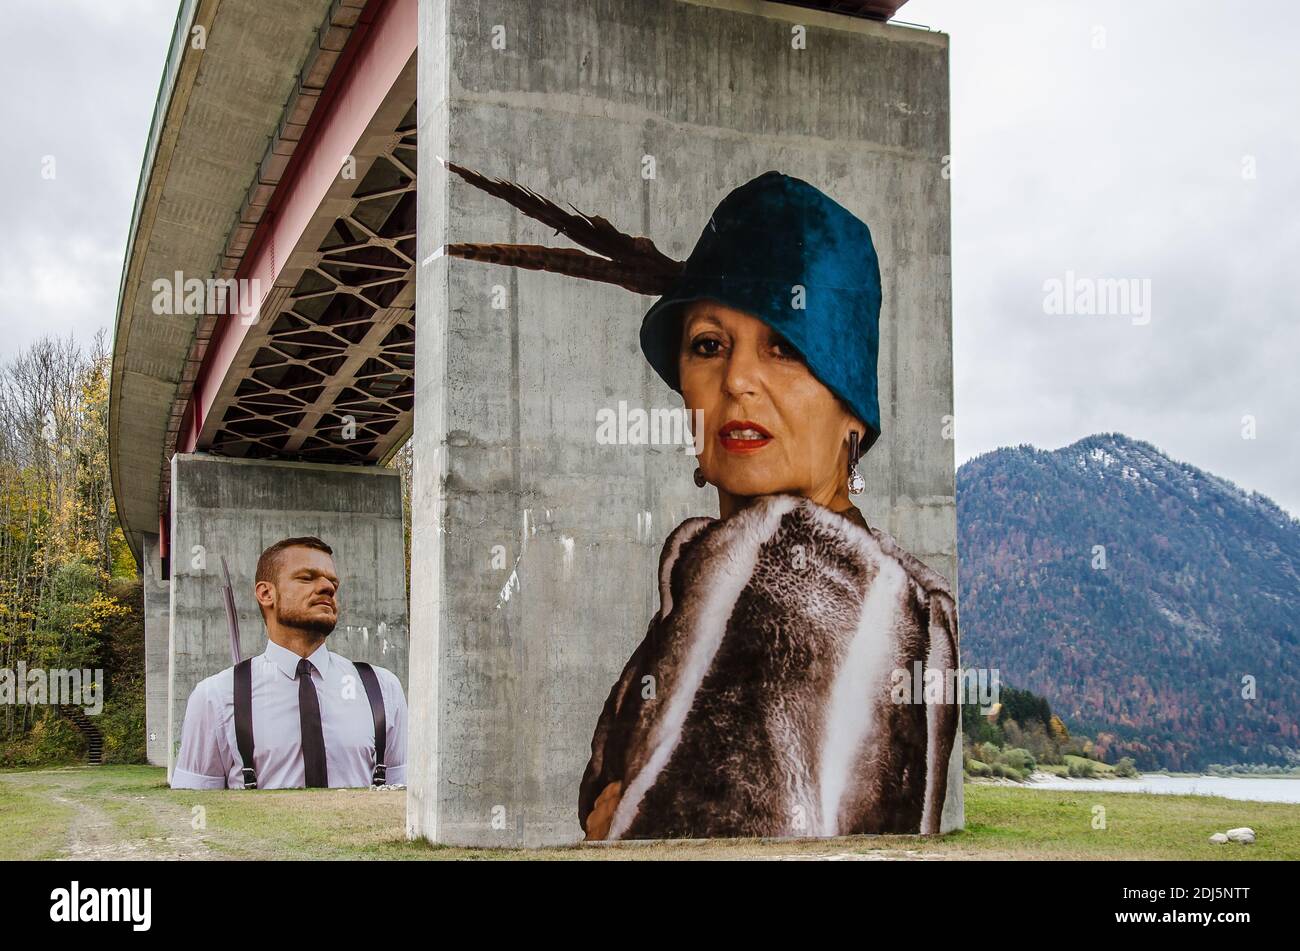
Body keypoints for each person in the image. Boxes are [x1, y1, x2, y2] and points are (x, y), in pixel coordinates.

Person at [442, 164, 959, 840]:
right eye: (709, 345)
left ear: (852, 411)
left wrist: (613, 828)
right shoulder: (894, 595)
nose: (738, 379)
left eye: (787, 347)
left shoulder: (799, 588)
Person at [171, 536, 407, 790]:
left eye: (333, 582)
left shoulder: (382, 688)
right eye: (307, 578)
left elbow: (405, 801)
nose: (328, 588)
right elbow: (195, 801)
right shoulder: (215, 696)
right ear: (266, 593)